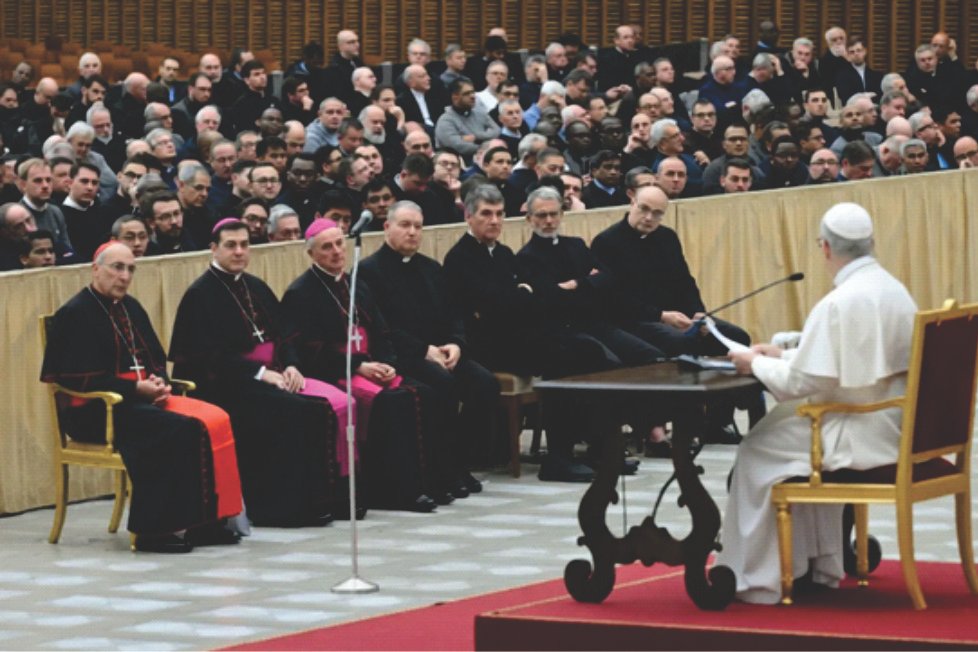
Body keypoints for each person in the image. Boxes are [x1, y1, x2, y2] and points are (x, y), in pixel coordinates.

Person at [720, 203, 917, 604]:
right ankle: (815, 562)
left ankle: (757, 578)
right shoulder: (894, 288)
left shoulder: (839, 302)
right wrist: (781, 354)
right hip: (891, 422)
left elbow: (800, 383)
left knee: (756, 447)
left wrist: (753, 363)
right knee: (784, 438)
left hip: (857, 430)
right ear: (871, 243)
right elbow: (843, 362)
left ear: (825, 247)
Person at [41, 242, 243, 552]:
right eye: (117, 268)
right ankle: (153, 532)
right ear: (96, 269)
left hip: (137, 404)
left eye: (130, 269)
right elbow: (76, 378)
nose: (124, 276)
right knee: (174, 428)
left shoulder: (131, 307)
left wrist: (159, 382)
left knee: (206, 422)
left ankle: (202, 524)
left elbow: (155, 358)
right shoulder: (75, 313)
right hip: (94, 411)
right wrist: (136, 389)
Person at [169, 219, 355, 526]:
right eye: (231, 245)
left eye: (244, 245)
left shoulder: (255, 286)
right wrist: (259, 372)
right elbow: (208, 358)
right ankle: (279, 509)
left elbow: (286, 335)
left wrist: (291, 364)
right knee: (295, 411)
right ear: (214, 249)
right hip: (226, 387)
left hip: (269, 378)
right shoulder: (200, 295)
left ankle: (318, 502)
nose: (239, 251)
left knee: (315, 409)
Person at [282, 219, 451, 511]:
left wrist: (387, 364)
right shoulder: (301, 293)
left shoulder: (357, 284)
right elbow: (310, 350)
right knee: (394, 402)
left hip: (369, 366)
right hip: (336, 372)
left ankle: (428, 483)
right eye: (327, 247)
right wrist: (357, 367)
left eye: (339, 244)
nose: (336, 251)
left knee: (424, 393)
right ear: (311, 254)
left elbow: (382, 331)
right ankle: (395, 492)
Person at [358, 201, 498, 496]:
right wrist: (423, 350)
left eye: (418, 227)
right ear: (387, 227)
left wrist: (456, 343)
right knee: (442, 385)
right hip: (403, 355)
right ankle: (442, 469)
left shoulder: (431, 268)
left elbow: (453, 313)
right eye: (405, 225)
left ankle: (460, 460)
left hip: (441, 352)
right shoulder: (368, 272)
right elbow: (382, 326)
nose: (412, 232)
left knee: (484, 383)